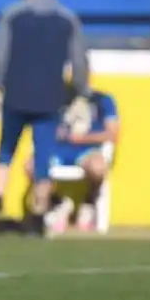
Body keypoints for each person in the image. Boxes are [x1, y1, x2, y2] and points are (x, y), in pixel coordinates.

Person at [0, 0, 89, 234]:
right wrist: (80, 93)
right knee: (44, 157)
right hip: (50, 97)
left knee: (6, 152)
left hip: (16, 94)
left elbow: (1, 56)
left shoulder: (13, 15)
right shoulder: (67, 18)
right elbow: (79, 62)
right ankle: (38, 215)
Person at [26, 88, 119, 234]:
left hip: (87, 151)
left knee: (98, 168)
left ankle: (88, 203)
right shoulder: (53, 98)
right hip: (57, 151)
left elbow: (113, 133)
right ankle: (57, 203)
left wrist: (81, 139)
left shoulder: (102, 100)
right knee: (31, 166)